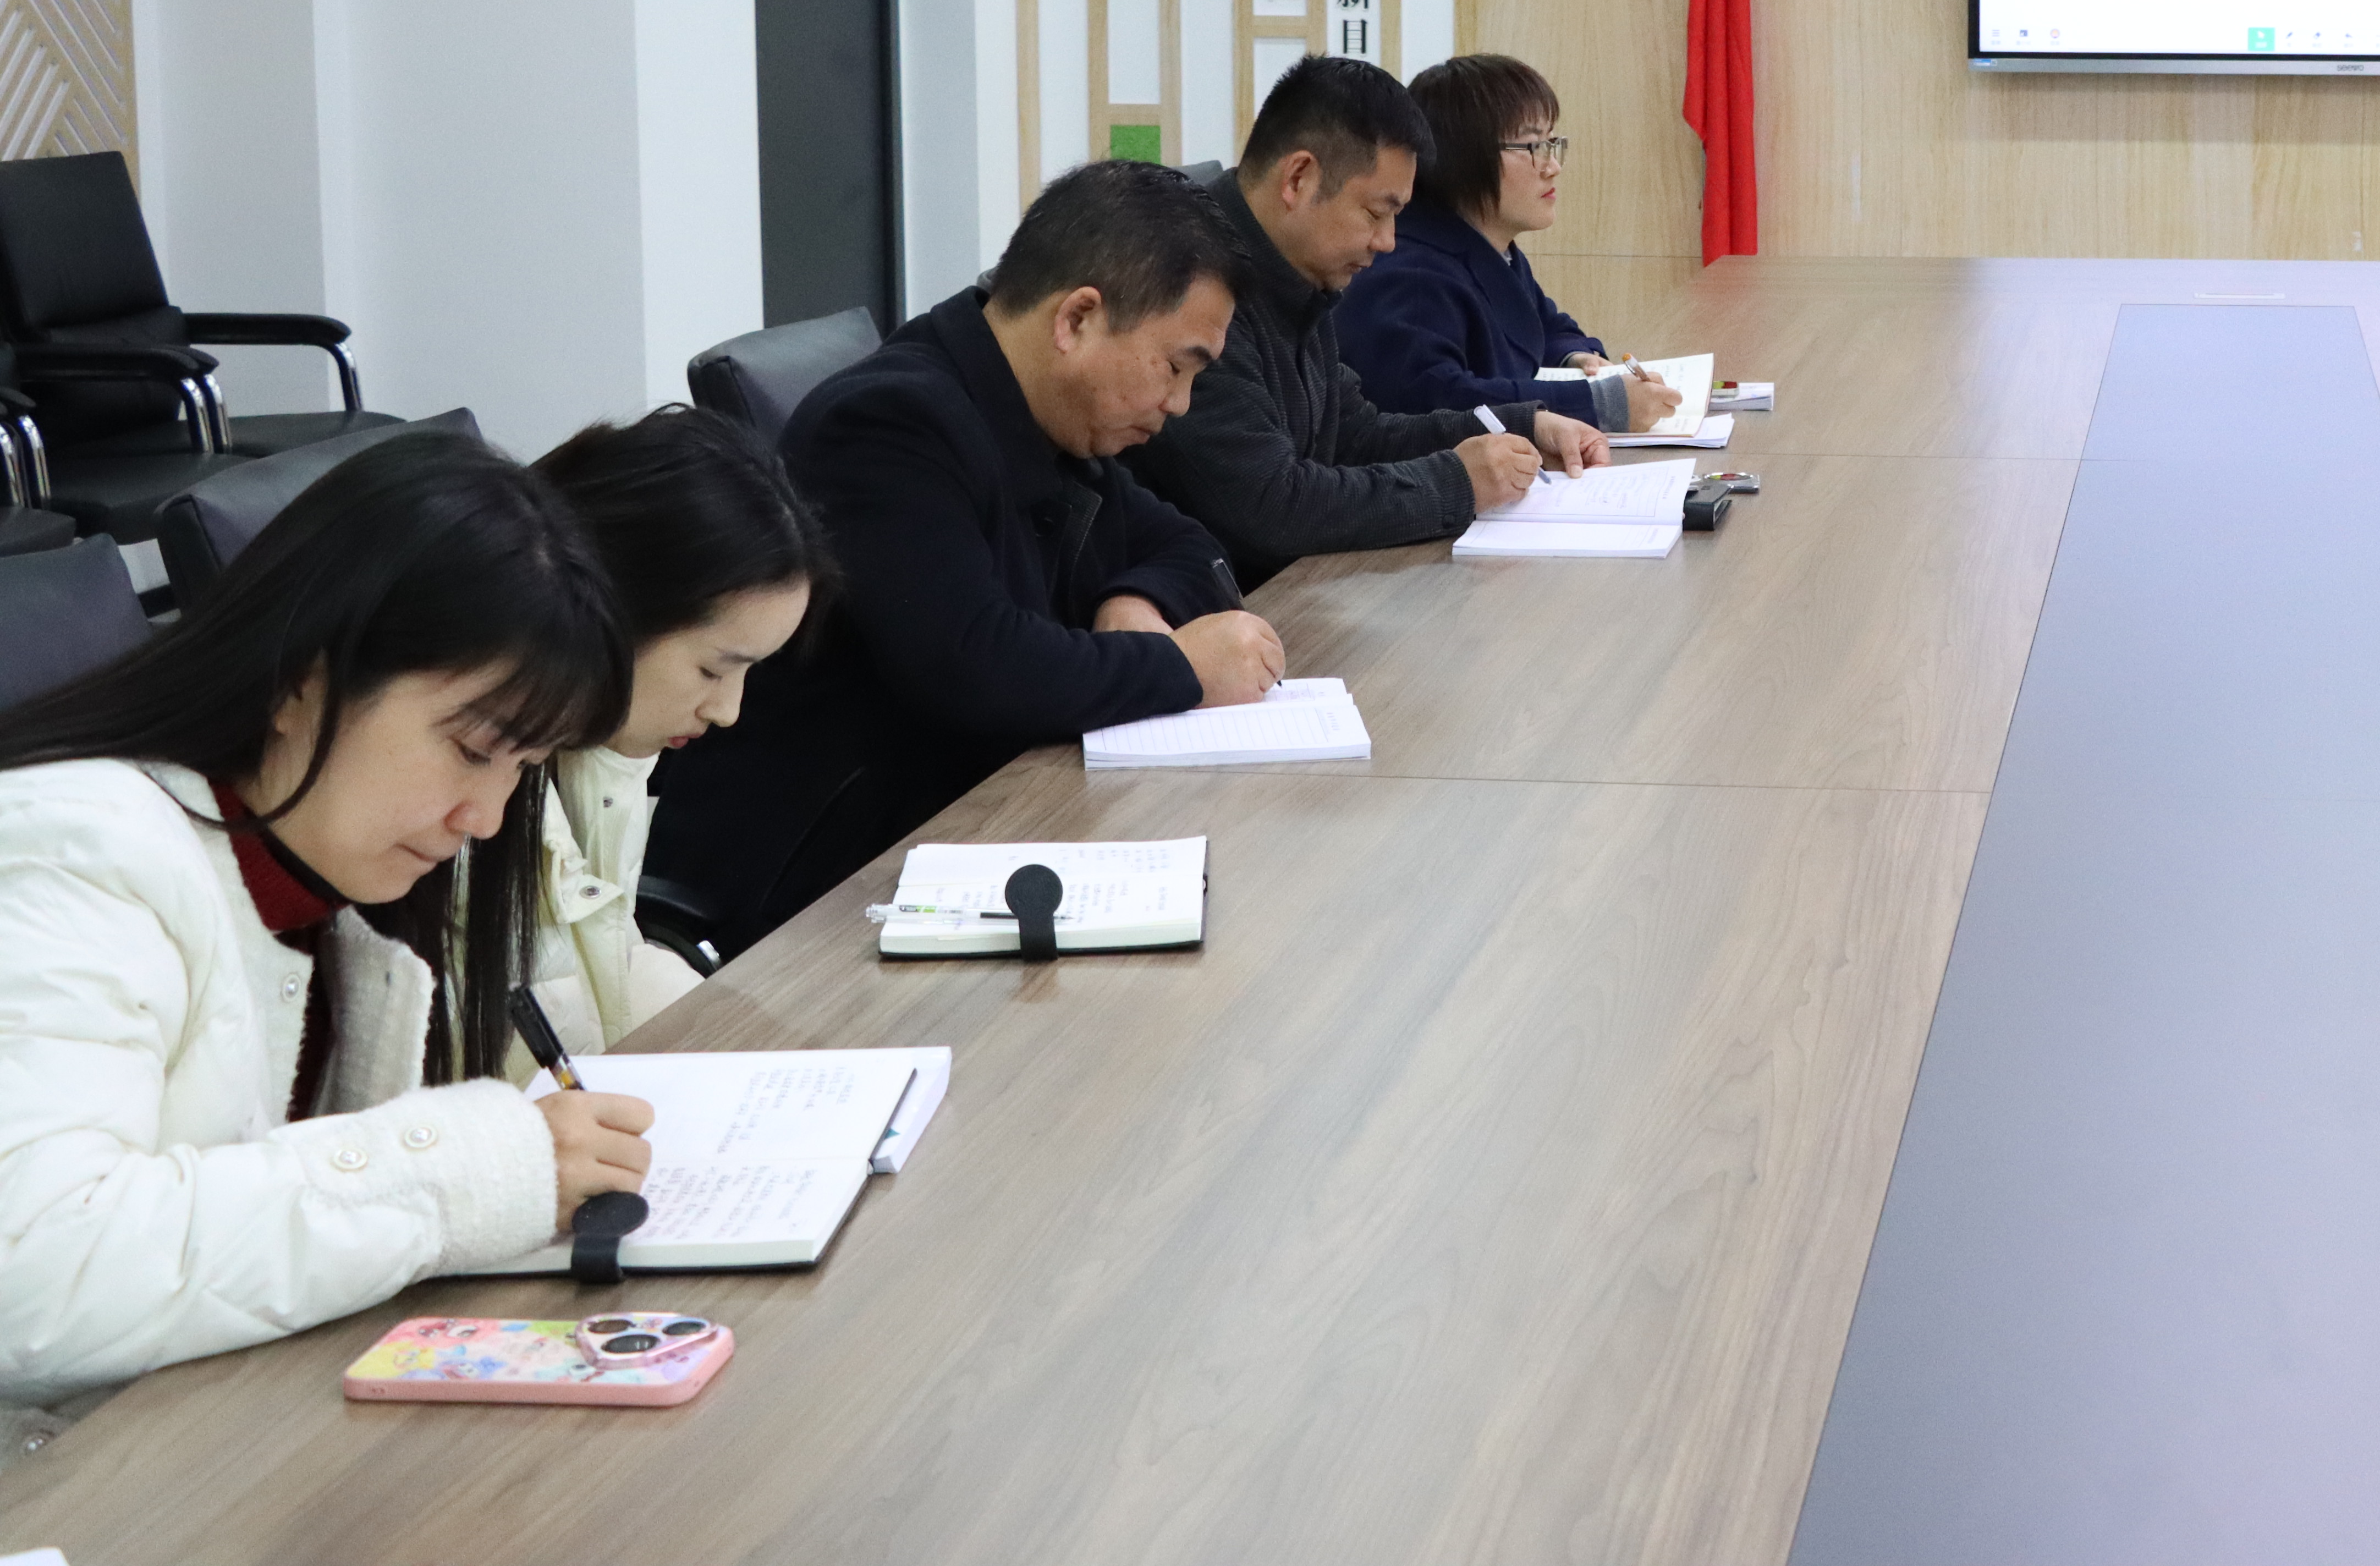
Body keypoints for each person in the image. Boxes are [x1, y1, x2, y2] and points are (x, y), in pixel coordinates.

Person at [0, 436, 656, 1423]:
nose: (485, 818)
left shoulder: (327, 887)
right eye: (472, 748)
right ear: (301, 680)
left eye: (523, 769)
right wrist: (471, 1167)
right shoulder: (70, 853)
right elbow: (33, 1277)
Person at [651, 161, 1285, 948]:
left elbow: (1186, 541)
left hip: (963, 835)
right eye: (1176, 366)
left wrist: (1134, 602)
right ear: (1078, 319)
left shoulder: (1050, 414)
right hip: (819, 897)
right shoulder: (889, 424)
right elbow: (979, 664)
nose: (1180, 403)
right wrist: (1182, 667)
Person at [1139, 58, 1612, 585]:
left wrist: (1520, 426)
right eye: (1375, 213)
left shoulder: (1300, 269)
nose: (1388, 242)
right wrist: (1459, 482)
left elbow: (1356, 434)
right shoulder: (1194, 285)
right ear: (1299, 179)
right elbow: (1271, 507)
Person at [515, 408, 832, 1061]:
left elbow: (604, 976)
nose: (728, 710)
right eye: (713, 669)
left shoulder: (604, 754)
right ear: (610, 604)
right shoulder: (474, 794)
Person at [1338, 54, 1683, 433]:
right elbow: (1437, 400)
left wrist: (1575, 356)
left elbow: (1545, 325)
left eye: (1552, 143)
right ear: (1465, 158)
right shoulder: (1413, 273)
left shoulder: (1489, 248)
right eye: (1533, 147)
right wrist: (1598, 404)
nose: (1553, 167)